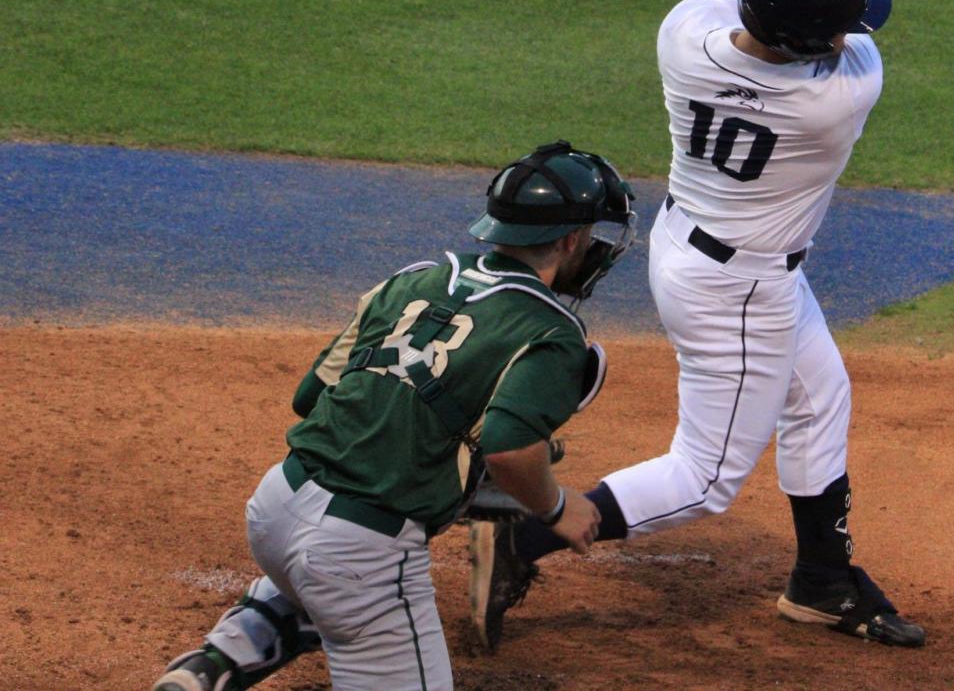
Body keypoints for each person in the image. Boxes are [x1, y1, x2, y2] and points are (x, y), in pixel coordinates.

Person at [489, 0, 925, 648]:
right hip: (743, 288)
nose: (852, 30)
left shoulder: (684, 39)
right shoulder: (839, 94)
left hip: (695, 247)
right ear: (820, 41)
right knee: (705, 478)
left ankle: (822, 579)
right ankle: (521, 537)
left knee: (818, 395)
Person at [151, 141, 636, 691]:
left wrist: (423, 429)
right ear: (572, 239)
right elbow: (508, 448)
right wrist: (554, 507)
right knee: (337, 577)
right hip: (358, 555)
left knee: (315, 572)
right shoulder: (552, 332)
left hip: (275, 505)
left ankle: (216, 664)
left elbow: (312, 397)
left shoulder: (413, 278)